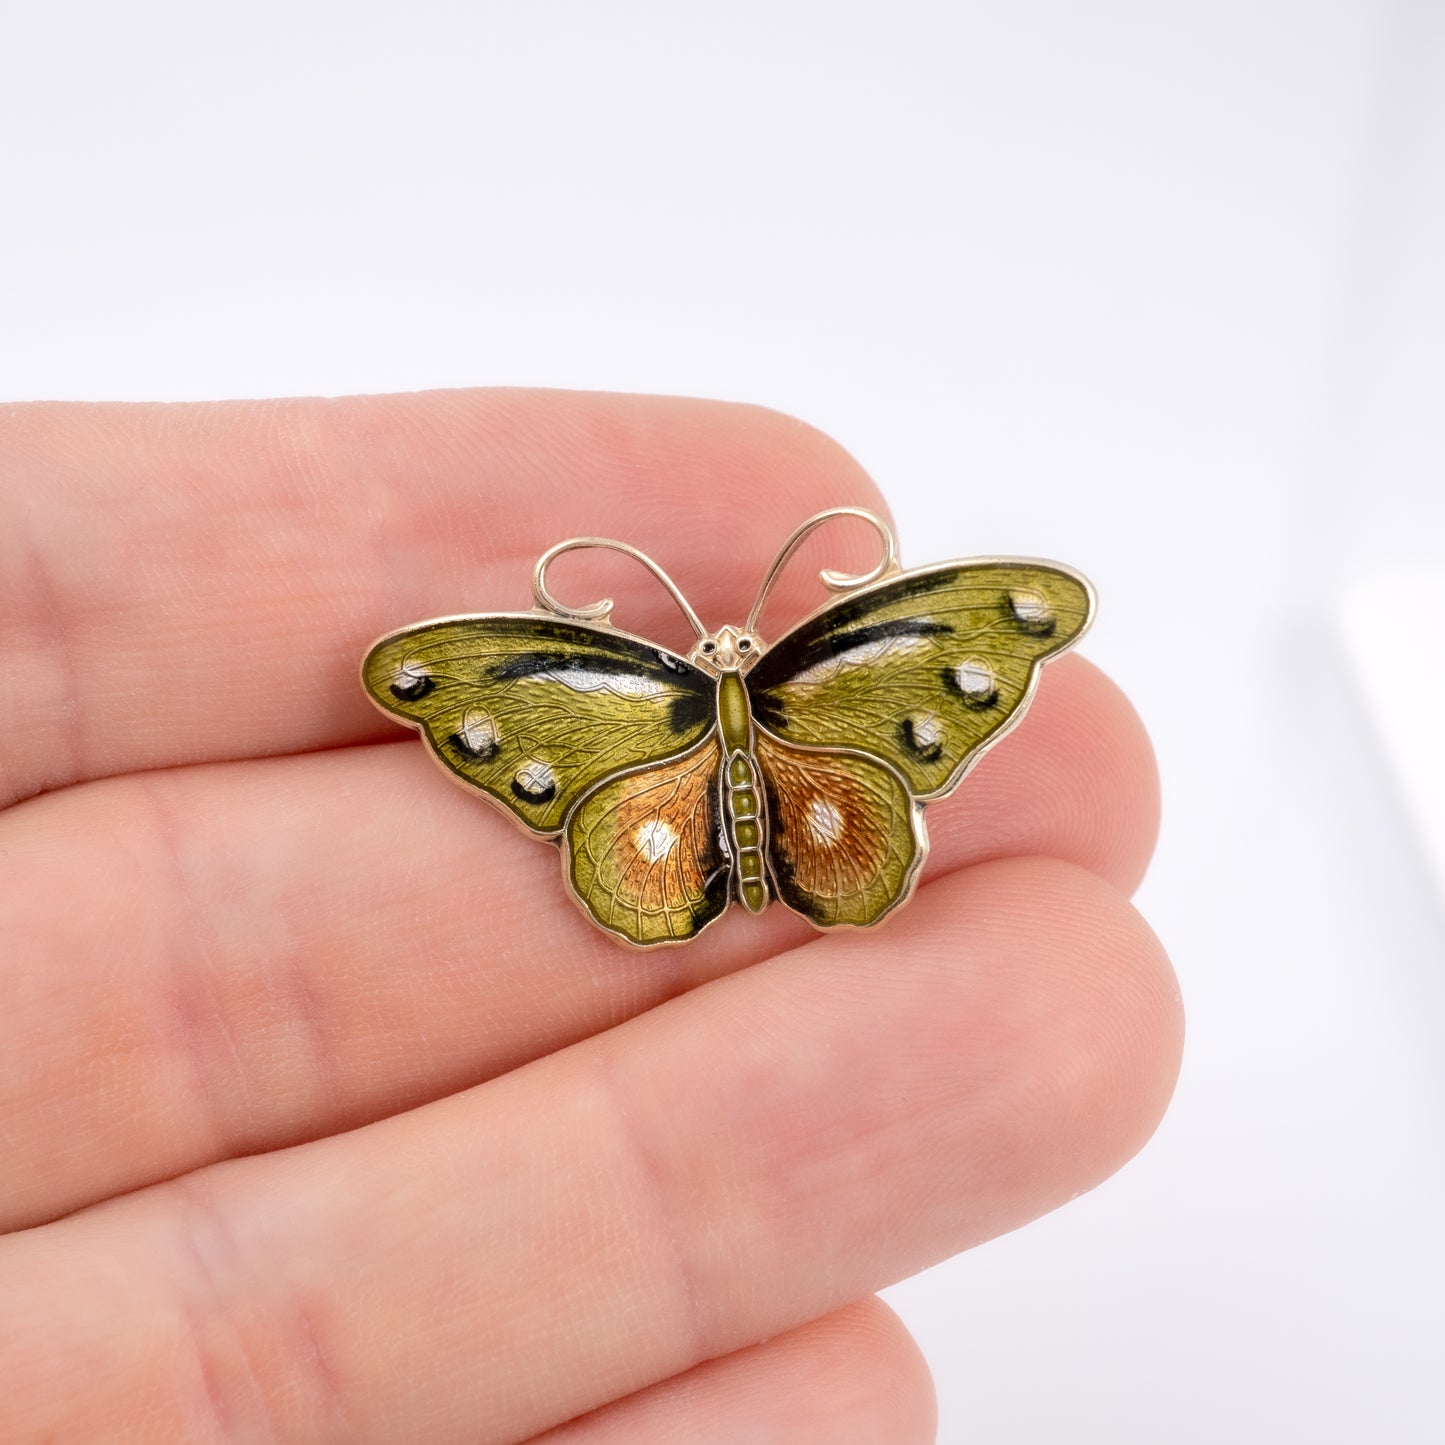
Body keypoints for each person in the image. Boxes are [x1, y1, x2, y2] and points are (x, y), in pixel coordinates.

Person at [0, 389, 1181, 1443]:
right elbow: (408, 672)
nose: (723, 649)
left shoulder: (643, 681)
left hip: (700, 810)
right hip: (788, 803)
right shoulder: (656, 670)